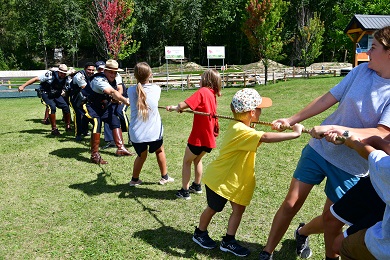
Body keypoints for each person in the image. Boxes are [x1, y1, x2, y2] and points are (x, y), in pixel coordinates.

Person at [259, 25, 390, 260]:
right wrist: (291, 119)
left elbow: (381, 132)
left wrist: (338, 129)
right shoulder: (360, 73)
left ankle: (303, 232)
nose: (368, 52)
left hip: (353, 165)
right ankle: (267, 252)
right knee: (291, 203)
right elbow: (328, 98)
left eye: (374, 48)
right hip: (320, 150)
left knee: (331, 220)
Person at [192, 88, 304, 257]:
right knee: (214, 208)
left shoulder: (244, 126)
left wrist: (278, 128)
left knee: (239, 209)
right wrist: (294, 134)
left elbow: (259, 134)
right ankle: (200, 233)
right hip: (220, 180)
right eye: (260, 109)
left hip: (235, 180)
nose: (261, 111)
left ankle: (228, 241)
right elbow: (264, 137)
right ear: (252, 112)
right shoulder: (240, 130)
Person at [321, 131, 388, 259]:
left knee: (341, 246)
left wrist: (355, 142)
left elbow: (383, 163)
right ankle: (303, 232)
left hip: (385, 189)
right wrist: (375, 140)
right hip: (376, 183)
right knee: (330, 220)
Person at [166, 69, 222, 200]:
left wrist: (175, 107)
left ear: (206, 80)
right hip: (209, 138)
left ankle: (184, 191)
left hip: (199, 137)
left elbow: (183, 105)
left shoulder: (203, 91)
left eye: (201, 78)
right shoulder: (212, 94)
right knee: (197, 159)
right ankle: (197, 185)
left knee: (187, 161)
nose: (200, 80)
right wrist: (178, 108)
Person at [127, 62, 174, 186]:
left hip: (137, 134)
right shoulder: (156, 89)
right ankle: (165, 177)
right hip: (153, 132)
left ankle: (134, 179)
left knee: (141, 156)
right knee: (160, 151)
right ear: (150, 75)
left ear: (135, 76)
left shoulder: (130, 90)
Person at [83, 59, 134, 164]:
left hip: (103, 106)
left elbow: (115, 92)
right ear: (105, 71)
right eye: (110, 71)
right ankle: (94, 155)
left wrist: (116, 99)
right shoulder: (99, 80)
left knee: (115, 122)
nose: (113, 74)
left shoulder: (114, 78)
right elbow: (111, 91)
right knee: (97, 123)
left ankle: (121, 148)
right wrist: (124, 100)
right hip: (91, 106)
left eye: (115, 72)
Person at [18, 64, 72, 136]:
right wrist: (23, 86)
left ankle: (68, 126)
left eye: (64, 73)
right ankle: (54, 129)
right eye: (62, 73)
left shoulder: (67, 78)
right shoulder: (49, 74)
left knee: (65, 106)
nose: (63, 74)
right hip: (45, 93)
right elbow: (35, 79)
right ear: (58, 71)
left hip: (56, 94)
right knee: (52, 107)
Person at [68, 62, 95, 141]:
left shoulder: (93, 75)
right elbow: (86, 88)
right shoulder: (79, 76)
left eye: (93, 70)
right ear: (85, 69)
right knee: (78, 114)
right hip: (75, 98)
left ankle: (85, 130)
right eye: (89, 70)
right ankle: (78, 134)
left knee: (88, 114)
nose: (91, 71)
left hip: (85, 97)